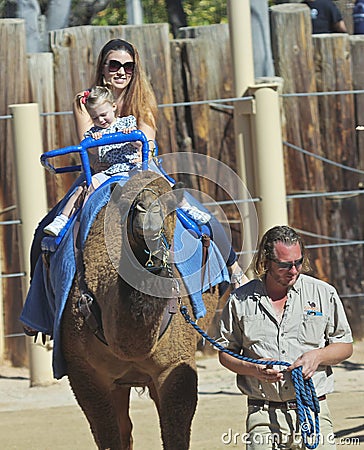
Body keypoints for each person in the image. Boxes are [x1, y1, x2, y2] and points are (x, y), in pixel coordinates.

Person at [218, 225, 353, 449]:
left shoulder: (323, 293)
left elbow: (345, 345)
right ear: (266, 261)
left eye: (298, 262)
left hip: (312, 412)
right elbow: (225, 353)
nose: (293, 270)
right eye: (284, 265)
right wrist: (254, 369)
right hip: (263, 416)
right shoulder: (240, 300)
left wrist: (317, 356)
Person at [43, 85, 139, 237]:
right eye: (95, 117)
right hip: (109, 171)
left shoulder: (126, 123)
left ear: (113, 107)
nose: (101, 120)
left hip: (130, 168)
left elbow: (140, 144)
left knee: (156, 182)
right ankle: (63, 220)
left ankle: (183, 207)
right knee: (84, 188)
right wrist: (94, 142)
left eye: (103, 114)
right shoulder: (94, 132)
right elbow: (91, 152)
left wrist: (131, 135)